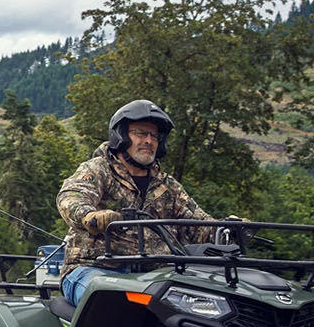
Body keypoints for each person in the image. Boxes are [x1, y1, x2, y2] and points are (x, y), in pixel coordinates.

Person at [53, 98, 215, 305]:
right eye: (140, 133)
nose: (149, 140)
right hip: (94, 269)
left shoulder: (168, 186)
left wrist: (230, 230)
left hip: (156, 276)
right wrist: (89, 216)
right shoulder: (98, 170)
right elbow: (71, 196)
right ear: (121, 136)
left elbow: (199, 225)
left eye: (154, 136)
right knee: (115, 302)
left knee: (207, 305)